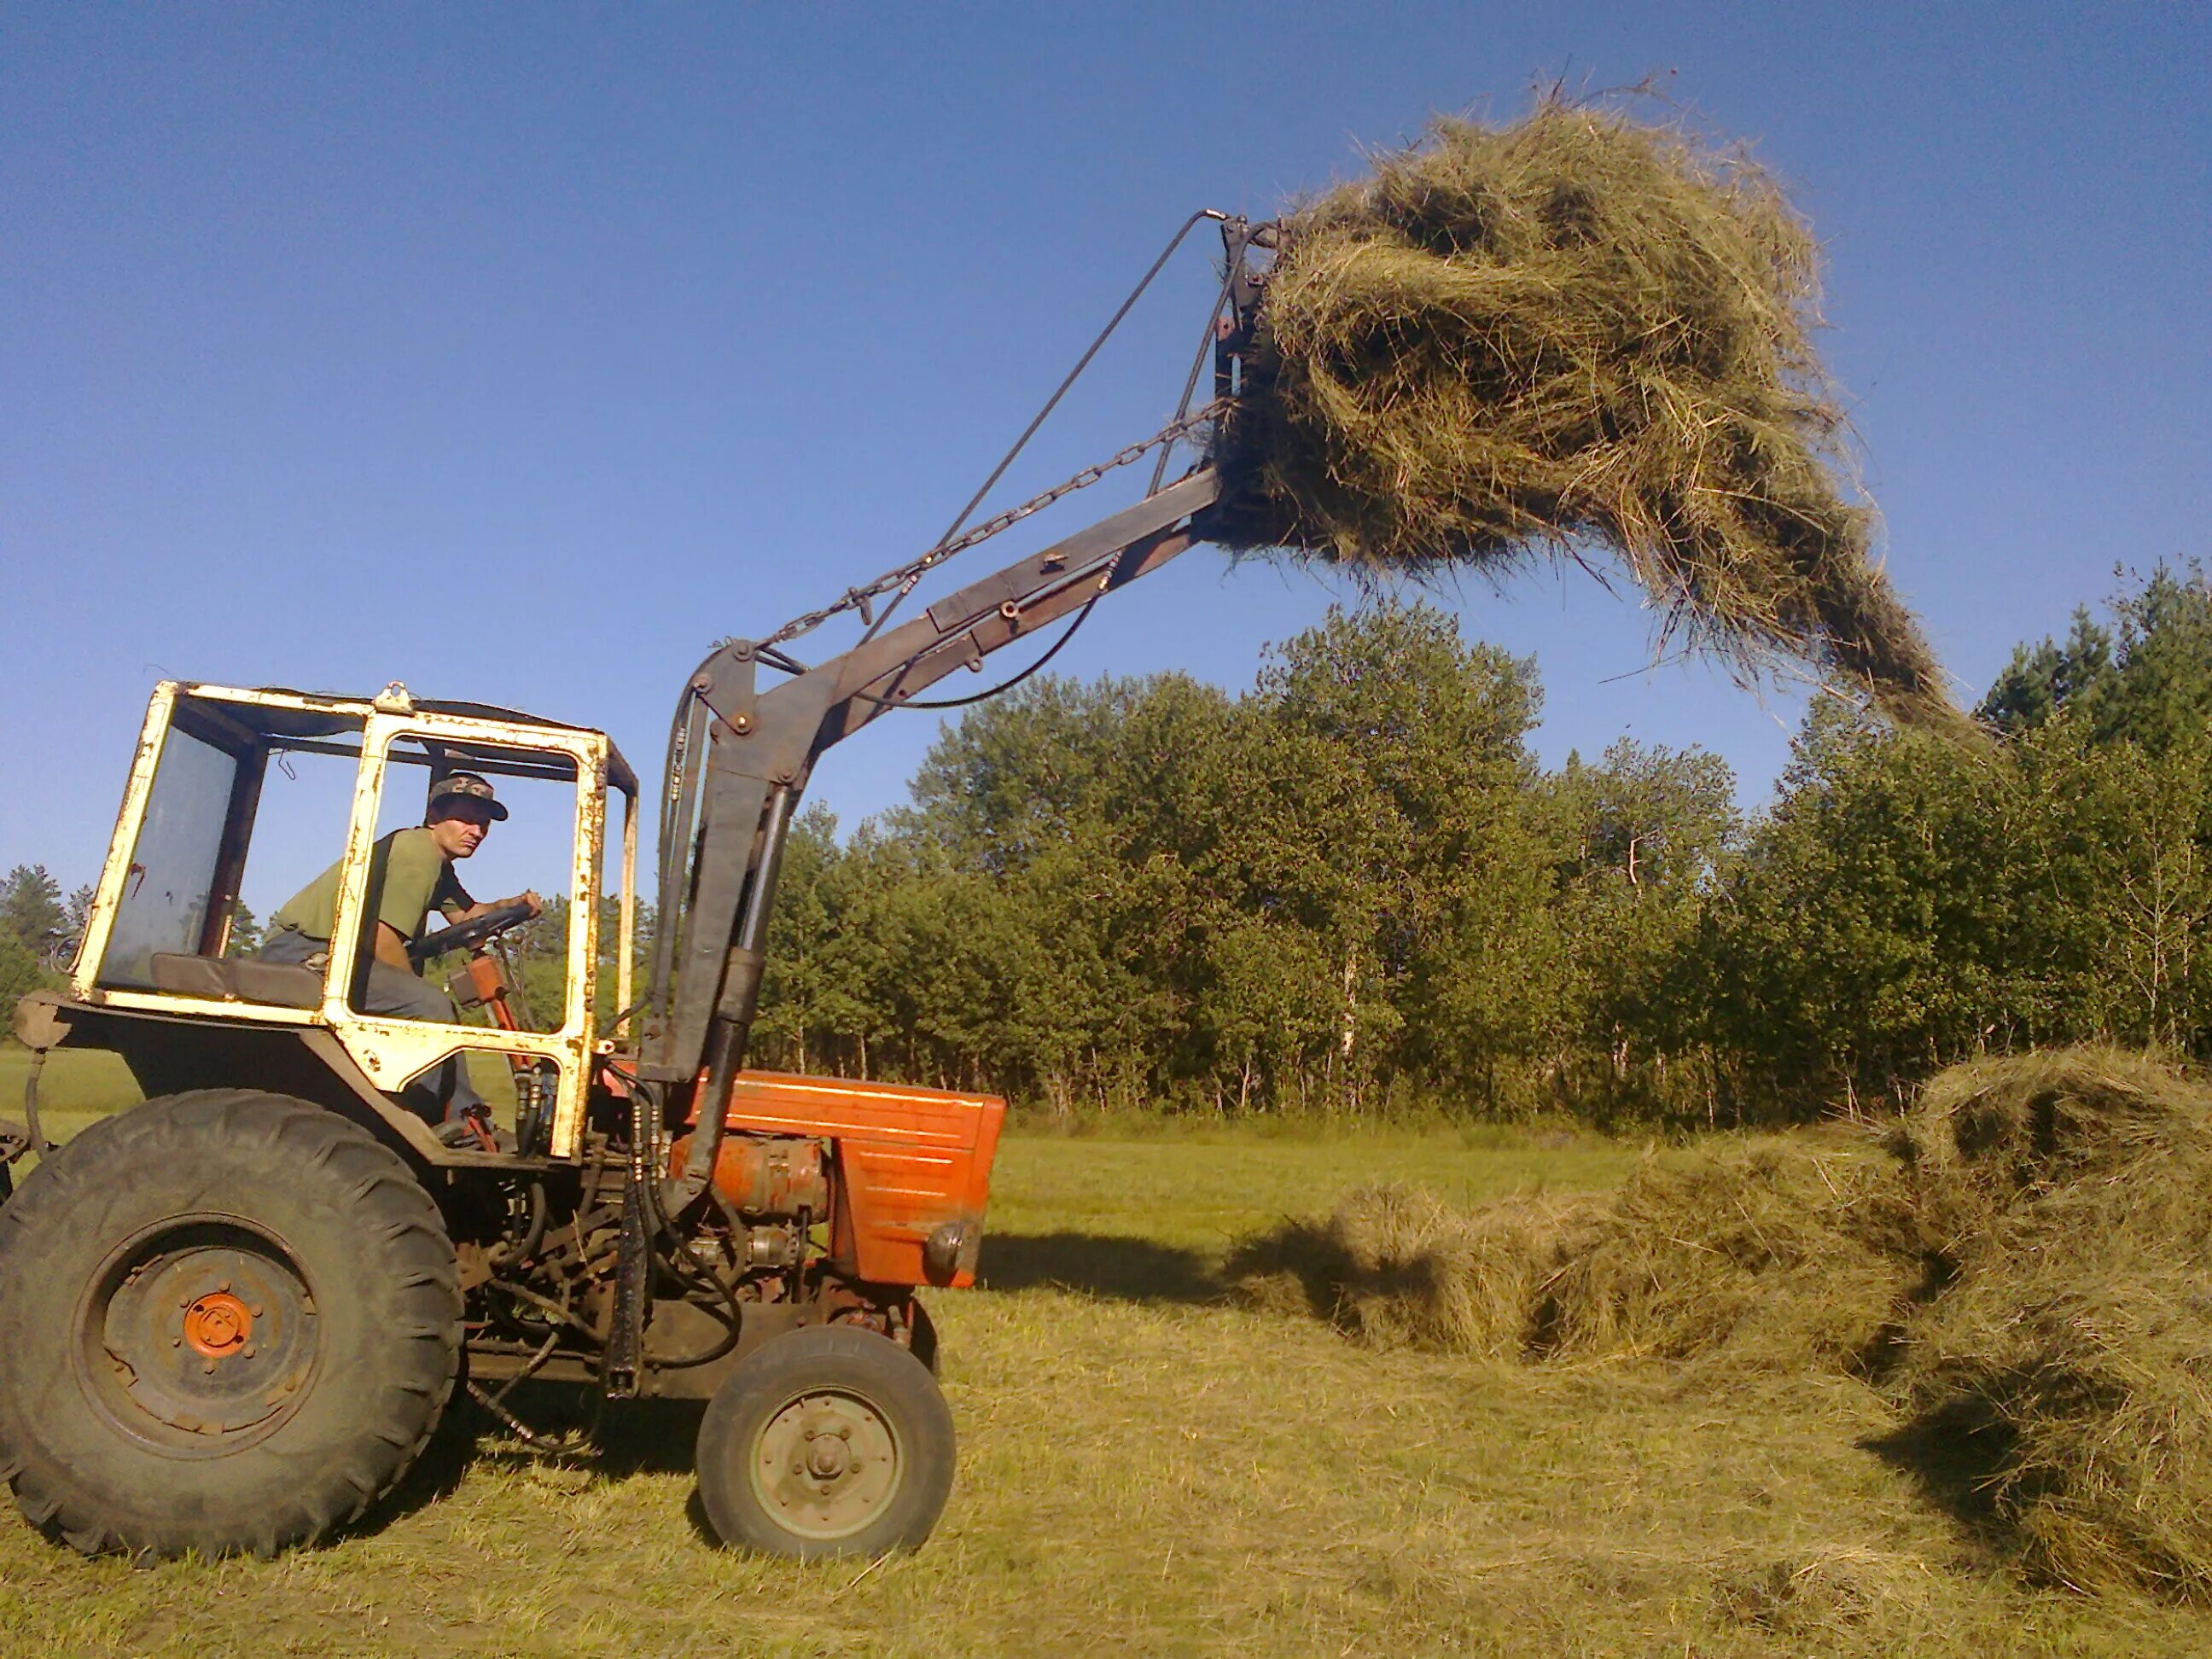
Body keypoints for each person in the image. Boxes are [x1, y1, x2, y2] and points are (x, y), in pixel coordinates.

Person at [261, 772, 542, 1129]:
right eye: (466, 819)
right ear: (435, 817)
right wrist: (415, 991)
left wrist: (512, 904)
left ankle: (463, 1119)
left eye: (483, 824)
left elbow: (468, 916)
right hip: (303, 954)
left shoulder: (436, 864)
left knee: (431, 1004)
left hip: (325, 954)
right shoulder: (416, 851)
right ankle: (424, 1122)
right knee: (428, 1004)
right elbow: (382, 938)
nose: (477, 831)